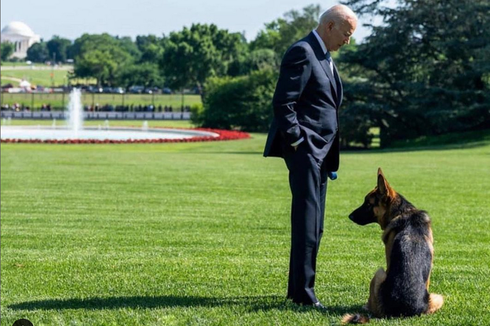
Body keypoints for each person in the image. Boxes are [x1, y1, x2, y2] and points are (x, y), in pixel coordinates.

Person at [263, 5, 358, 308]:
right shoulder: (303, 52)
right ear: (330, 26)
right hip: (305, 151)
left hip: (322, 153)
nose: (348, 40)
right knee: (306, 223)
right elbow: (284, 103)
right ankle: (304, 295)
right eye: (346, 33)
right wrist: (297, 142)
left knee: (315, 225)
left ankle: (296, 289)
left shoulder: (325, 57)